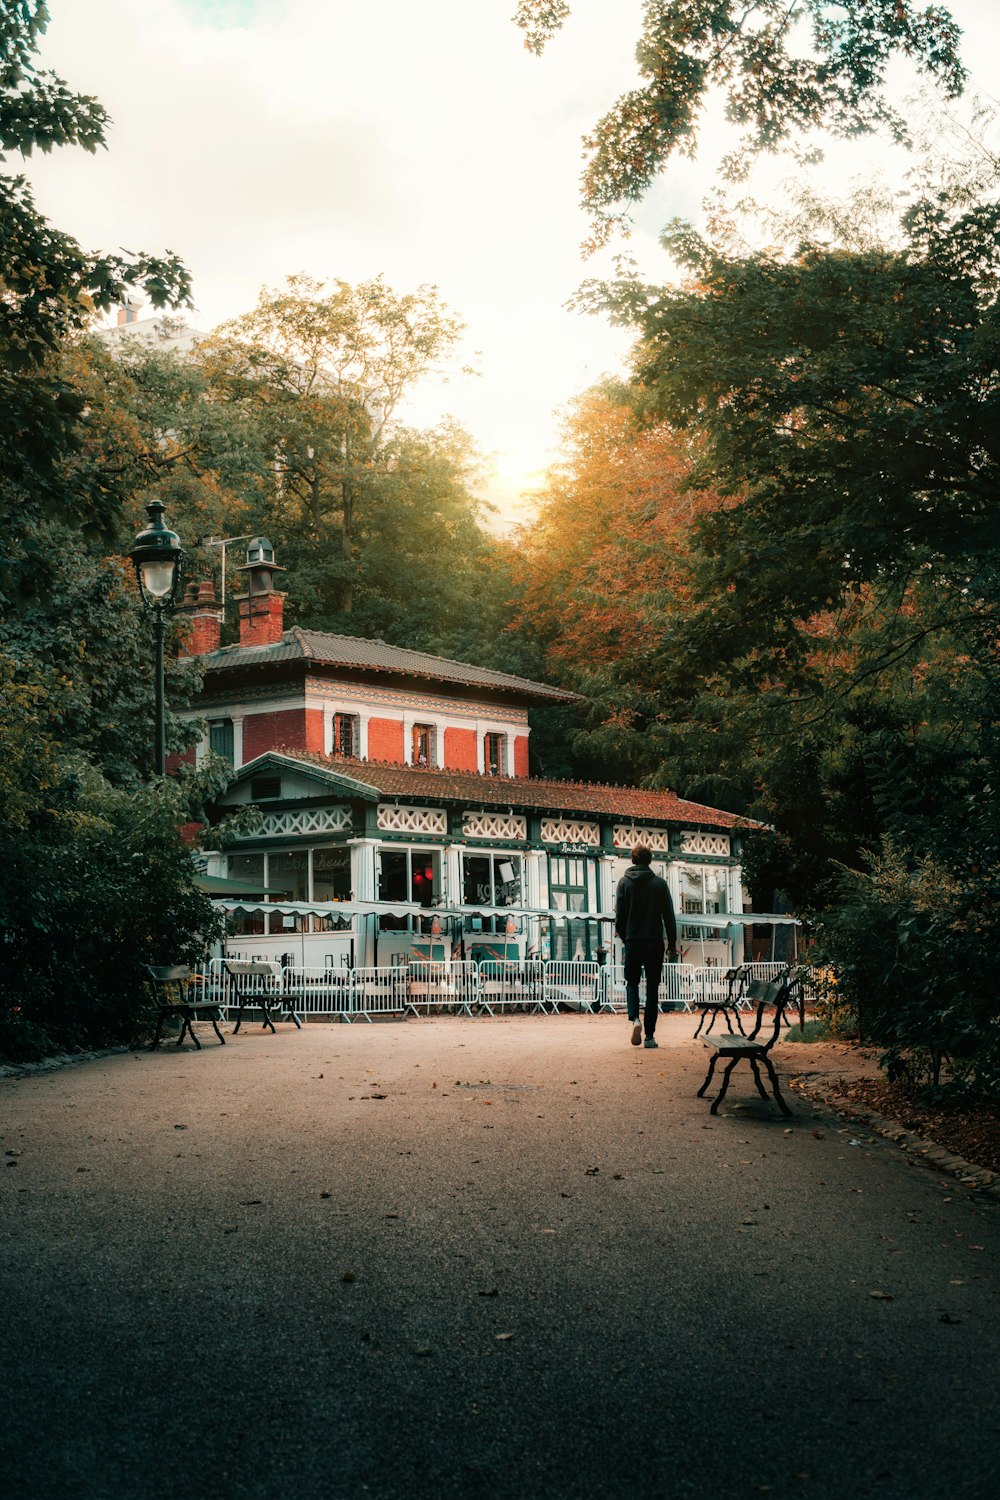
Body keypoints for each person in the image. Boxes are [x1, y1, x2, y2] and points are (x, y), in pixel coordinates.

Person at [615, 844, 678, 1049]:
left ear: (633, 860)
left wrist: (626, 939)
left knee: (631, 983)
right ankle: (650, 1036)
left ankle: (635, 1019)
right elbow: (668, 916)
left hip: (633, 941)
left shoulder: (624, 883)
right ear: (650, 861)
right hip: (653, 942)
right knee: (652, 988)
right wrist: (672, 942)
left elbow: (620, 918)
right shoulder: (660, 884)